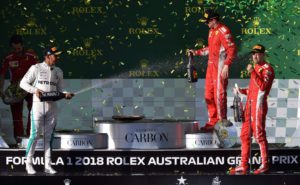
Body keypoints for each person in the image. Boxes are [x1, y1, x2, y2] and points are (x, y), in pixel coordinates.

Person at [20, 47, 73, 174]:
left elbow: (60, 90)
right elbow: (23, 83)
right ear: (48, 56)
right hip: (38, 106)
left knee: (49, 137)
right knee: (34, 135)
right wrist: (35, 90)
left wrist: (66, 94)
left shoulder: (59, 71)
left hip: (52, 107)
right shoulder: (36, 68)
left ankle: (48, 165)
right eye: (55, 55)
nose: (57, 57)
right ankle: (28, 164)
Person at [189, 9, 237, 132]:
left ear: (213, 20)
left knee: (218, 96)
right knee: (208, 95)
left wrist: (226, 65)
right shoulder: (211, 31)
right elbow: (211, 49)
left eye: (207, 21)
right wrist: (197, 52)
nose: (206, 24)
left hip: (220, 67)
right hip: (211, 67)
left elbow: (232, 49)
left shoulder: (223, 30)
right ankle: (213, 121)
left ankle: (222, 123)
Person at [229, 44, 275, 175]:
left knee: (259, 135)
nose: (254, 56)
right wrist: (241, 91)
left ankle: (265, 165)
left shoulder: (268, 69)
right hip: (249, 105)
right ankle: (243, 165)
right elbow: (253, 90)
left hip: (258, 106)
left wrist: (252, 72)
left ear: (263, 54)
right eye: (253, 53)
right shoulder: (256, 67)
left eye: (257, 53)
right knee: (244, 136)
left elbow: (262, 88)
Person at [0, 34, 38, 143]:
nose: (17, 50)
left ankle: (31, 138)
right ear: (11, 47)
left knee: (34, 112)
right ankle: (19, 141)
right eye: (14, 48)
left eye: (19, 48)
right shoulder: (8, 58)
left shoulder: (31, 55)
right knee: (16, 116)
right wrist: (1, 89)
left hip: (31, 87)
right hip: (15, 90)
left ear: (22, 45)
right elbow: (2, 74)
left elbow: (39, 71)